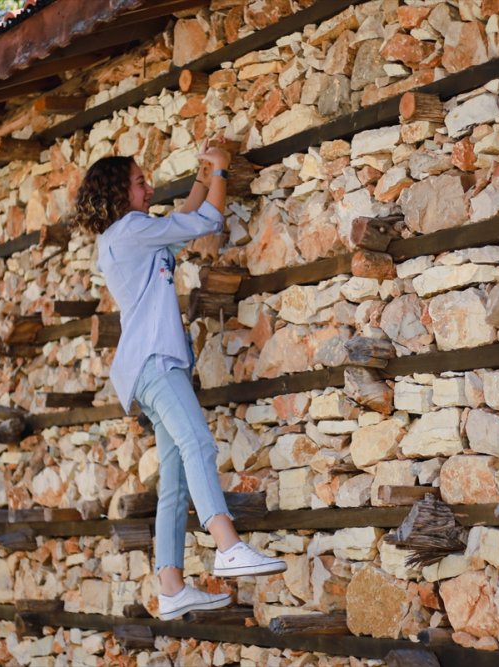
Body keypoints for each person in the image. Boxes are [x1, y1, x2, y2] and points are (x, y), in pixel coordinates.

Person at [69, 145, 286, 621]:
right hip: (155, 361)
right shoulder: (132, 230)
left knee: (175, 480)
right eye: (139, 182)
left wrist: (202, 179)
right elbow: (205, 221)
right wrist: (221, 170)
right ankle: (227, 545)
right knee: (198, 444)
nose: (149, 189)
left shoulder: (129, 236)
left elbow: (183, 220)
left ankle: (171, 588)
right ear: (118, 192)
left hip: (148, 366)